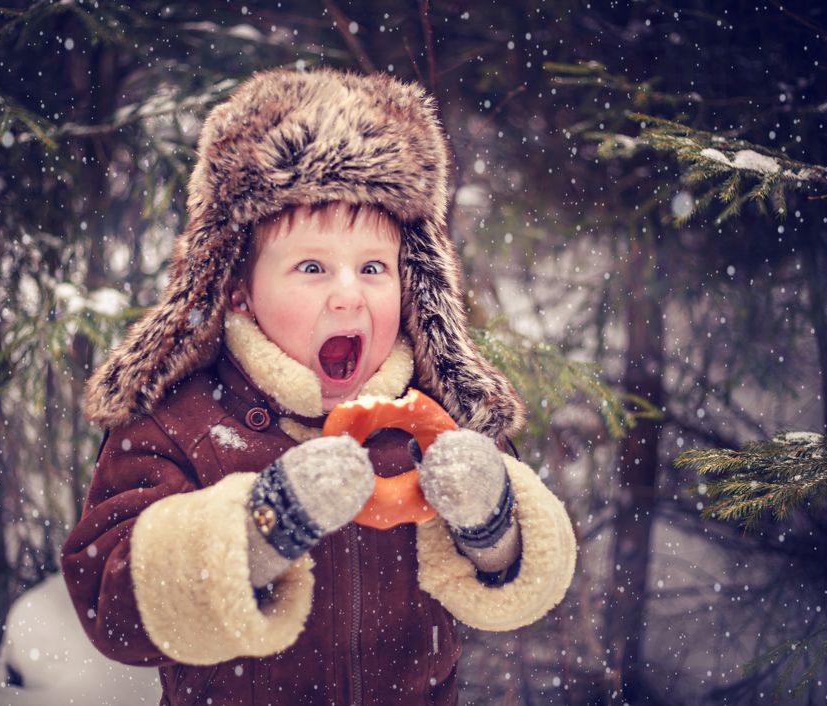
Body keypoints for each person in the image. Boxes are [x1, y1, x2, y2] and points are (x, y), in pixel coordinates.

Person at [61, 67, 576, 706]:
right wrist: (257, 530)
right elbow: (109, 603)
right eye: (311, 266)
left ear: (412, 281)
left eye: (372, 267)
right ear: (240, 288)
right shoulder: (179, 424)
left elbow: (522, 580)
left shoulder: (439, 416)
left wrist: (492, 523)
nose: (348, 294)